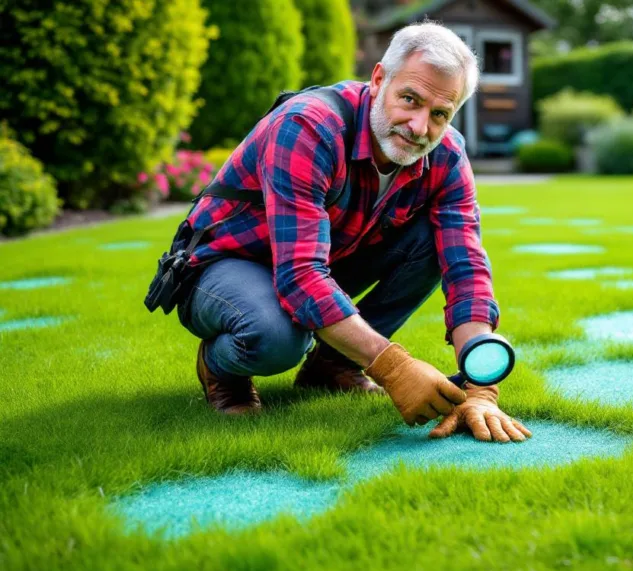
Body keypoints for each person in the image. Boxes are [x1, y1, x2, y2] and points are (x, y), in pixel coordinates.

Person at [165, 22, 531, 443]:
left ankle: (333, 366)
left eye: (439, 114)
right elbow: (301, 276)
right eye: (409, 99)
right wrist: (393, 367)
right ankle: (221, 367)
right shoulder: (308, 127)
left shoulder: (446, 155)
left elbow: (465, 264)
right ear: (379, 80)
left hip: (322, 258)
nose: (418, 126)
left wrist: (480, 387)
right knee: (276, 337)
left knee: (434, 242)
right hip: (228, 264)